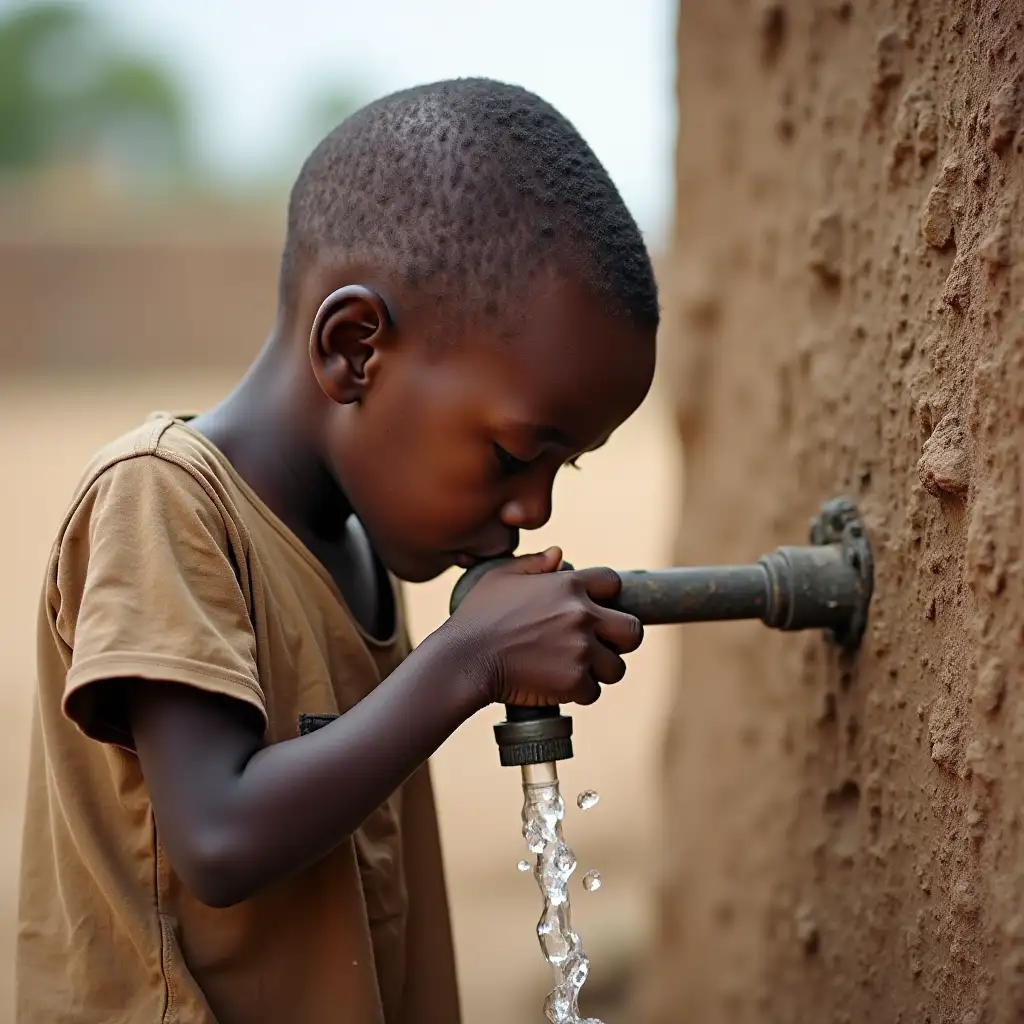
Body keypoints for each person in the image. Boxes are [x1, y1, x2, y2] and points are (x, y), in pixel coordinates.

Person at [16, 77, 660, 1024]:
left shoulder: (355, 552)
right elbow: (220, 838)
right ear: (356, 349)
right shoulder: (160, 498)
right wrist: (471, 657)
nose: (532, 507)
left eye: (565, 468)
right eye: (517, 453)